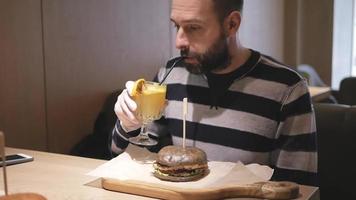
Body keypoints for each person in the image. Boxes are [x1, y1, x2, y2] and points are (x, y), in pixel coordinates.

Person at [110, 0, 317, 186]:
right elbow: (124, 159)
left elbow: (297, 189)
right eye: (176, 26)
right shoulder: (170, 76)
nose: (179, 42)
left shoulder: (288, 89)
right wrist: (128, 125)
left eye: (193, 28)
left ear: (232, 24)